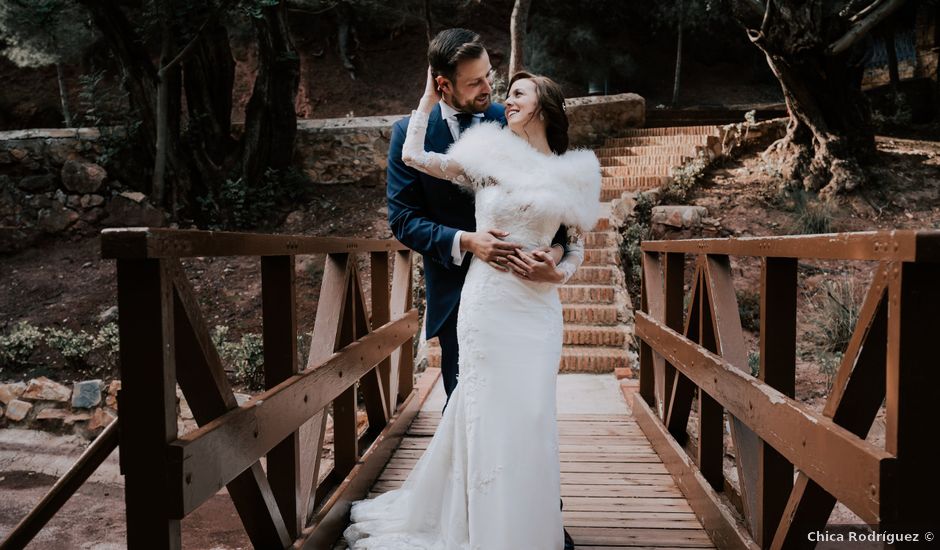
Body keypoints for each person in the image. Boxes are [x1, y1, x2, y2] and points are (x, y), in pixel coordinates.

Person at [342, 43, 601, 550]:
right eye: (484, 84)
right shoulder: (487, 154)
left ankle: (532, 520)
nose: (498, 95)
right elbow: (412, 163)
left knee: (530, 415)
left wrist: (558, 273)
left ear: (544, 108)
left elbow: (577, 248)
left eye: (511, 90)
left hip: (536, 310)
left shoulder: (574, 173)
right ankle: (480, 525)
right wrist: (466, 240)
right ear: (446, 84)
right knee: (481, 412)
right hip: (480, 302)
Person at [384, 28, 572, 404]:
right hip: (459, 297)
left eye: (489, 74)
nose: (489, 87)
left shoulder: (515, 121)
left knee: (522, 405)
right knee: (468, 407)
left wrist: (555, 256)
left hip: (522, 294)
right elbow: (403, 219)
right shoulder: (409, 133)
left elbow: (560, 210)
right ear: (443, 85)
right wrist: (467, 241)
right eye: (475, 82)